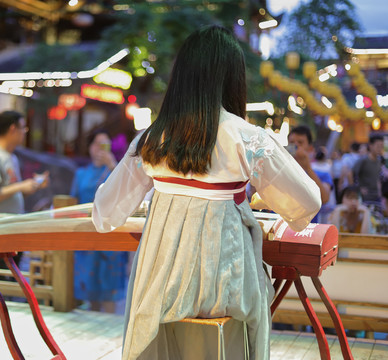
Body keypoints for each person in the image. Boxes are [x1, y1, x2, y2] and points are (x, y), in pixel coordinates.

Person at [91, 25, 321, 360]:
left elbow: (104, 213)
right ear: (232, 79)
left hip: (158, 291)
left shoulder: (150, 138)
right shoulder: (249, 138)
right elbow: (307, 203)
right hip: (223, 289)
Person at [70, 130, 128, 313]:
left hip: (111, 235)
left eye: (105, 145)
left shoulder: (116, 171)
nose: (100, 149)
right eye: (97, 144)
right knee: (90, 288)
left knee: (109, 288)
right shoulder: (81, 173)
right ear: (90, 147)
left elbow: (127, 192)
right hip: (87, 235)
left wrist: (113, 166)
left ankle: (109, 331)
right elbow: (72, 201)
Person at [0, 110, 49, 214]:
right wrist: (20, 186)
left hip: (11, 222)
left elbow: (11, 192)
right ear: (13, 129)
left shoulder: (12, 157)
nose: (25, 132)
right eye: (23, 128)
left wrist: (32, 185)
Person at [352, 134, 384, 208]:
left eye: (381, 146)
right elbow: (350, 174)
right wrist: (358, 188)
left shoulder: (378, 161)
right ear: (370, 146)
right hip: (365, 197)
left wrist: (379, 192)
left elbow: (378, 178)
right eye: (378, 146)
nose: (380, 149)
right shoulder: (363, 160)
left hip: (376, 196)